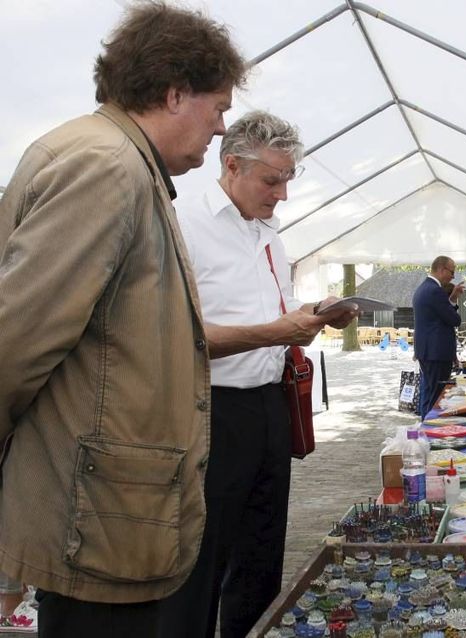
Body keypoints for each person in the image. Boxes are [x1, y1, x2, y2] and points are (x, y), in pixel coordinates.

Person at [0, 4, 246, 636]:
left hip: (107, 511)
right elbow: (15, 344)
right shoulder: (105, 166)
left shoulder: (112, 158)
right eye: (217, 107)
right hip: (97, 516)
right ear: (173, 94)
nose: (221, 128)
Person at [160, 111, 357, 638]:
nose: (282, 195)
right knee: (203, 559)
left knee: (263, 549)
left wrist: (315, 311)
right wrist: (277, 330)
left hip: (270, 403)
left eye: (288, 181)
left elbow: (278, 306)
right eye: (272, 180)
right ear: (231, 166)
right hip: (211, 410)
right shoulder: (184, 225)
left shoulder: (267, 226)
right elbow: (178, 334)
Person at [413, 256, 465, 417]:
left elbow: (438, 315)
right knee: (435, 396)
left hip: (428, 350)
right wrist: (453, 302)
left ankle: (424, 426)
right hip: (436, 352)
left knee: (428, 392)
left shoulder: (424, 288)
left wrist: (452, 298)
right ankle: (428, 429)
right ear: (442, 269)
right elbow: (454, 319)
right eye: (452, 271)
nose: (453, 276)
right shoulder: (435, 291)